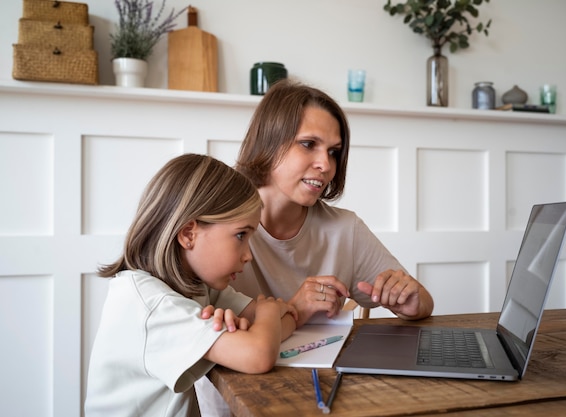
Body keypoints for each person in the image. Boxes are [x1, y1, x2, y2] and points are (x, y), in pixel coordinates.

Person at [85, 154, 297, 417]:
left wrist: (259, 328)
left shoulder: (197, 286)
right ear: (188, 234)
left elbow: (284, 324)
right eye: (241, 235)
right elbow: (259, 354)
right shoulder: (152, 306)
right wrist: (267, 313)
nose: (248, 255)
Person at [232, 79, 434, 327]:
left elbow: (422, 300)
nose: (326, 166)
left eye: (333, 152)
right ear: (269, 143)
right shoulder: (217, 222)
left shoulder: (345, 228)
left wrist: (412, 303)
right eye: (308, 144)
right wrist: (295, 310)